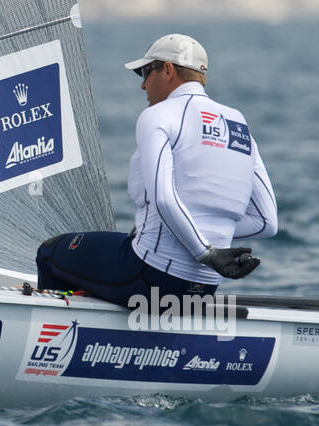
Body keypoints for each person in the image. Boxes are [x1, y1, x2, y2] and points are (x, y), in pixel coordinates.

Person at [37, 34, 277, 304]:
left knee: (49, 252)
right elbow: (266, 222)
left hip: (149, 278)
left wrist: (206, 253)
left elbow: (163, 198)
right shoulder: (238, 123)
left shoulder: (159, 115)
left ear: (168, 70)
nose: (142, 85)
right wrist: (210, 241)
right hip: (204, 288)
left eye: (145, 71)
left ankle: (66, 338)